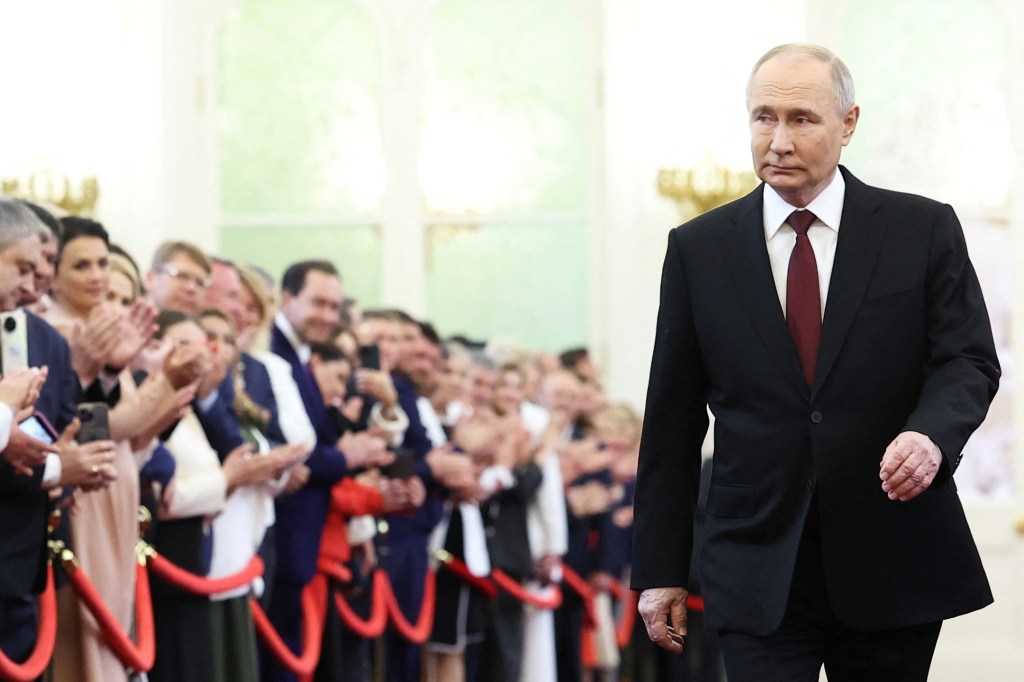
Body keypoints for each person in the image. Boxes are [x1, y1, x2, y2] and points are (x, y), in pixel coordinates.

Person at [631, 43, 1000, 682]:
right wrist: (660, 569)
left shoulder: (921, 229)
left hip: (891, 550)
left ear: (848, 124)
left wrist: (931, 435)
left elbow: (967, 359)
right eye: (762, 117)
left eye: (800, 119)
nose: (777, 139)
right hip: (755, 559)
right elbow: (673, 416)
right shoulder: (699, 249)